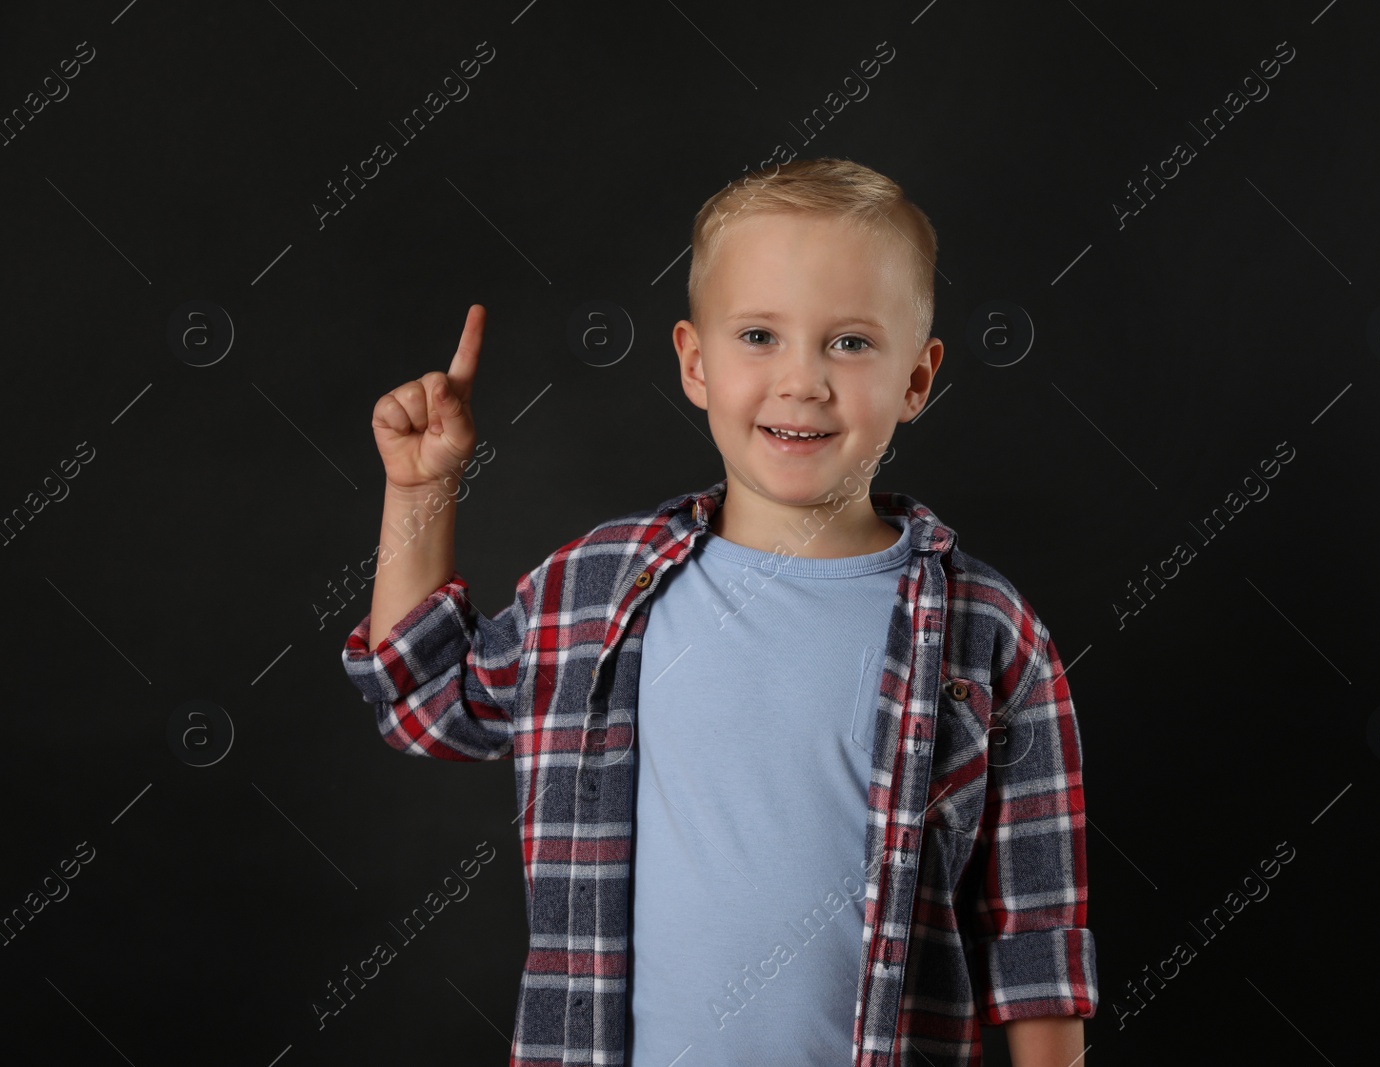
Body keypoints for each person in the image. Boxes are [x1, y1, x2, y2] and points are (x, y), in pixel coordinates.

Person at [340, 156, 1097, 1066]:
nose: (803, 381)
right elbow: (425, 702)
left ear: (917, 378)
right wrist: (418, 492)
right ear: (695, 363)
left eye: (850, 342)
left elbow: (1035, 936)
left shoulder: (988, 630)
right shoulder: (597, 588)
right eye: (759, 336)